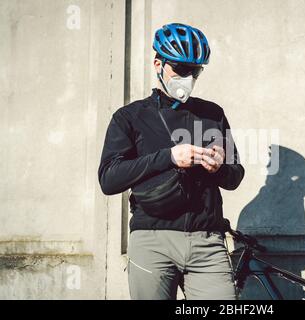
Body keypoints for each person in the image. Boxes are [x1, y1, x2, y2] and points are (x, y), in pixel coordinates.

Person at [98, 22, 245, 300]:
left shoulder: (212, 114)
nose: (187, 77)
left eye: (195, 70)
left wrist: (219, 169)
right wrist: (168, 157)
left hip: (207, 242)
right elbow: (108, 178)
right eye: (180, 68)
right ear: (158, 63)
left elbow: (235, 176)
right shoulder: (130, 117)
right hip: (152, 239)